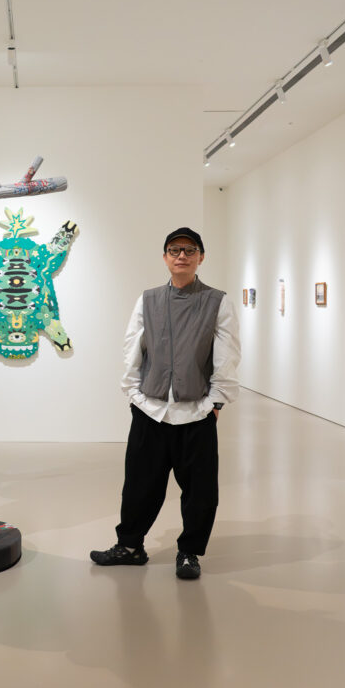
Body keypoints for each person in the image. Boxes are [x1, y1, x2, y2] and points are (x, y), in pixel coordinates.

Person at [90, 227, 240, 579]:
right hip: (150, 410)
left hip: (196, 412)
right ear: (165, 257)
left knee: (200, 492)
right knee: (139, 485)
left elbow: (227, 355)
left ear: (201, 257)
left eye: (189, 250)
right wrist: (134, 394)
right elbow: (133, 347)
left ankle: (189, 552)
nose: (181, 256)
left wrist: (216, 403)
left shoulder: (218, 302)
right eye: (174, 250)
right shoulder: (148, 300)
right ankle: (130, 546)